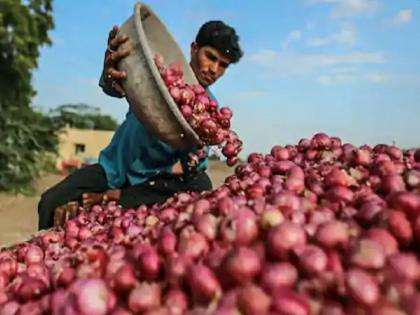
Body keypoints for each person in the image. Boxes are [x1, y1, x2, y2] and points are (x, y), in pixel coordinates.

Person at [37, 20, 243, 230]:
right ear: (194, 49)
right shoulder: (160, 75)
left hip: (150, 182)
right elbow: (119, 84)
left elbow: (193, 167)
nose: (214, 69)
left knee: (201, 184)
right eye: (211, 57)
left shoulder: (209, 110)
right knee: (50, 202)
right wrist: (111, 74)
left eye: (223, 65)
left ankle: (117, 197)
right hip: (113, 169)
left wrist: (195, 148)